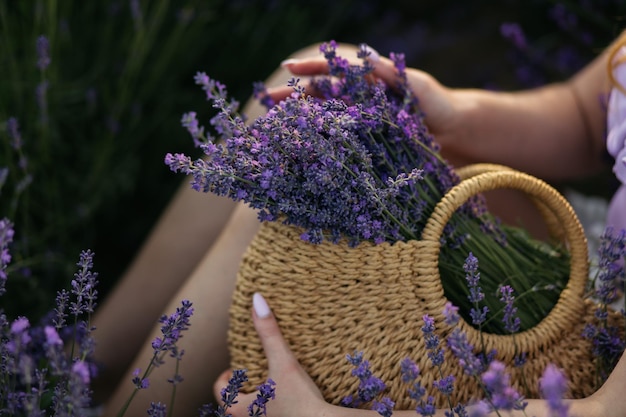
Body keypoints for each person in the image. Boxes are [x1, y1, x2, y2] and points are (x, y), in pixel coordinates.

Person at [92, 27, 626, 416]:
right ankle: (82, 360)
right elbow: (587, 115)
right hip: (598, 252)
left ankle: (117, 403)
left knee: (303, 199)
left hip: (590, 362)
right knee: (318, 98)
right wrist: (455, 112)